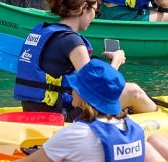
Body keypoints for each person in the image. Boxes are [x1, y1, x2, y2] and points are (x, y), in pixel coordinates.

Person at [13, 0, 154, 118]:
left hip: (34, 112)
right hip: (60, 116)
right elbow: (97, 89)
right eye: (95, 11)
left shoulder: (44, 31)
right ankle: (157, 121)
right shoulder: (72, 41)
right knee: (133, 91)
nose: (94, 17)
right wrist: (117, 61)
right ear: (84, 7)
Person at [21, 59, 165, 162]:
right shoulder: (133, 128)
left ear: (84, 95)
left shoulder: (74, 134)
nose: (72, 90)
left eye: (75, 86)